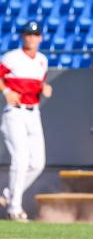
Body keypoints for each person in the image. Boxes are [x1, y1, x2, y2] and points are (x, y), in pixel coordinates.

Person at [0, 21, 52, 221]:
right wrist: (6, 91)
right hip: (15, 112)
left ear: (40, 37)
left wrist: (44, 88)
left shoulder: (42, 60)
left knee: (38, 163)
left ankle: (9, 194)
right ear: (23, 36)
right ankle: (14, 208)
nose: (31, 38)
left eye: (35, 34)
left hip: (33, 112)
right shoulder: (12, 57)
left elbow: (39, 83)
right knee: (20, 159)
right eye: (28, 34)